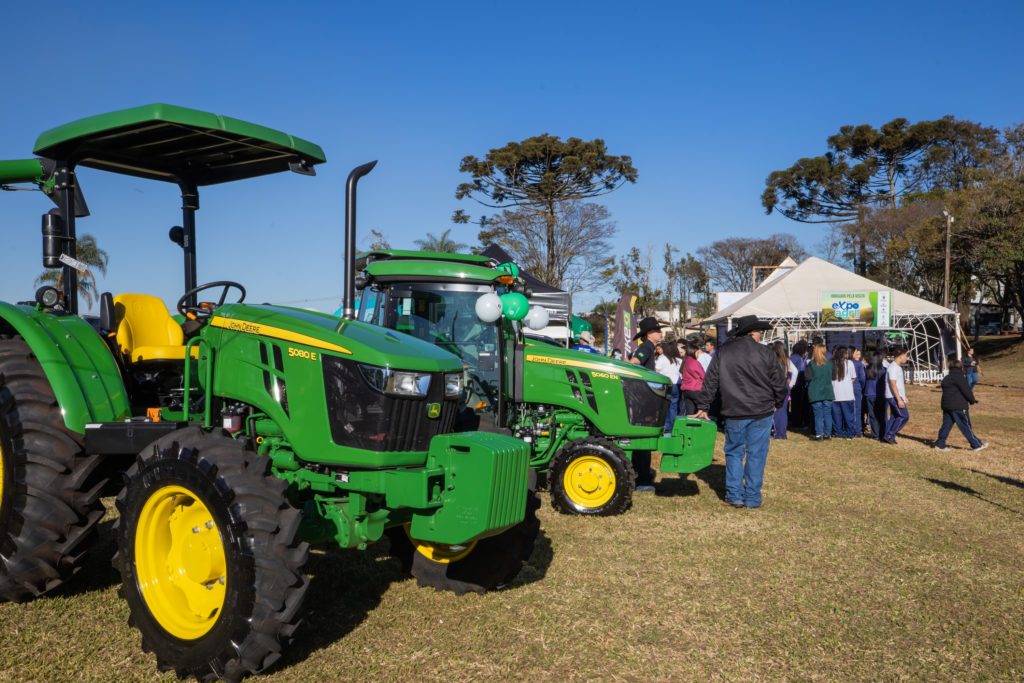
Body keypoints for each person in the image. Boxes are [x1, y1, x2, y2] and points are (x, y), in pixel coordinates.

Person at [694, 315, 787, 509]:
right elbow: (779, 382)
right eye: (759, 331)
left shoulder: (723, 352)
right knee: (756, 454)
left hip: (734, 410)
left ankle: (734, 495)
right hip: (761, 410)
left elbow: (710, 381)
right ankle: (752, 497)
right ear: (752, 332)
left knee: (734, 453)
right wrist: (778, 402)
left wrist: (703, 406)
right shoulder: (765, 352)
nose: (760, 334)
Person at [629, 317, 662, 491]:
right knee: (644, 439)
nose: (660, 333)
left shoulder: (649, 348)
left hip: (642, 398)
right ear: (649, 334)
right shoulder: (646, 347)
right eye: (657, 331)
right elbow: (634, 365)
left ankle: (641, 477)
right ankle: (643, 481)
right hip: (643, 399)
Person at [933, 359, 988, 451]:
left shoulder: (947, 378)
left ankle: (940, 443)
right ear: (961, 368)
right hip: (958, 406)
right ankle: (977, 445)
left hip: (947, 406)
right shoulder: (960, 378)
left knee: (946, 425)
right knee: (965, 426)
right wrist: (972, 400)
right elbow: (967, 391)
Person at [805, 343, 835, 441]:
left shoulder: (811, 363)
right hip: (828, 391)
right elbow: (834, 377)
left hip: (815, 391)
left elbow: (807, 377)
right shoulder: (830, 363)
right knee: (827, 413)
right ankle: (828, 434)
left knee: (818, 414)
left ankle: (819, 434)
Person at [882, 347, 910, 445]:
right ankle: (889, 435)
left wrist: (903, 396)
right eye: (906, 356)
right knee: (903, 416)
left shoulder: (897, 367)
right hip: (893, 396)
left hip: (896, 396)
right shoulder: (893, 367)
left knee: (894, 417)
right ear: (901, 356)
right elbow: (893, 384)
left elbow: (898, 384)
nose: (907, 358)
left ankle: (887, 436)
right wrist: (899, 399)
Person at [655, 340, 683, 434]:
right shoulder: (679, 360)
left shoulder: (662, 358)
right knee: (673, 406)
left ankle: (664, 426)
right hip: (677, 384)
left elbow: (657, 372)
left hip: (666, 383)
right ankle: (671, 427)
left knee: (664, 406)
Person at [771, 341, 797, 439]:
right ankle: (782, 432)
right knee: (783, 409)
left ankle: (778, 433)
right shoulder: (786, 360)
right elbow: (795, 372)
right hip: (785, 385)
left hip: (775, 385)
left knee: (776, 409)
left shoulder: (772, 360)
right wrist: (791, 384)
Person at [830, 346, 857, 439]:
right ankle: (849, 434)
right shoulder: (849, 363)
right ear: (845, 353)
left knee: (836, 416)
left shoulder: (831, 363)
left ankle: (838, 433)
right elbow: (853, 378)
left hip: (835, 394)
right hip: (847, 394)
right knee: (848, 416)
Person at [863, 352, 887, 439]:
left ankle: (875, 433)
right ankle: (882, 433)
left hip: (869, 394)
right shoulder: (884, 370)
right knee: (881, 415)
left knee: (872, 415)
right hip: (880, 394)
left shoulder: (867, 369)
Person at [680, 340, 705, 416]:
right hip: (695, 389)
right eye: (697, 353)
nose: (698, 355)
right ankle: (700, 427)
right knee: (701, 412)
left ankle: (689, 427)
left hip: (686, 390)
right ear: (693, 352)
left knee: (690, 413)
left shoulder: (686, 361)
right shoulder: (694, 362)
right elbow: (703, 375)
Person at [788, 340, 809, 430]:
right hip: (798, 384)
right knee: (798, 405)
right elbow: (801, 371)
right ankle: (797, 422)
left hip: (790, 384)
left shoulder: (791, 357)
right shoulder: (799, 359)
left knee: (793, 404)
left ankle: (793, 420)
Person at [851, 347, 866, 435]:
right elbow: (862, 378)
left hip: (849, 387)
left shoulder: (848, 362)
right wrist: (862, 387)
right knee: (857, 409)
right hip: (857, 387)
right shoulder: (859, 364)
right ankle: (857, 430)